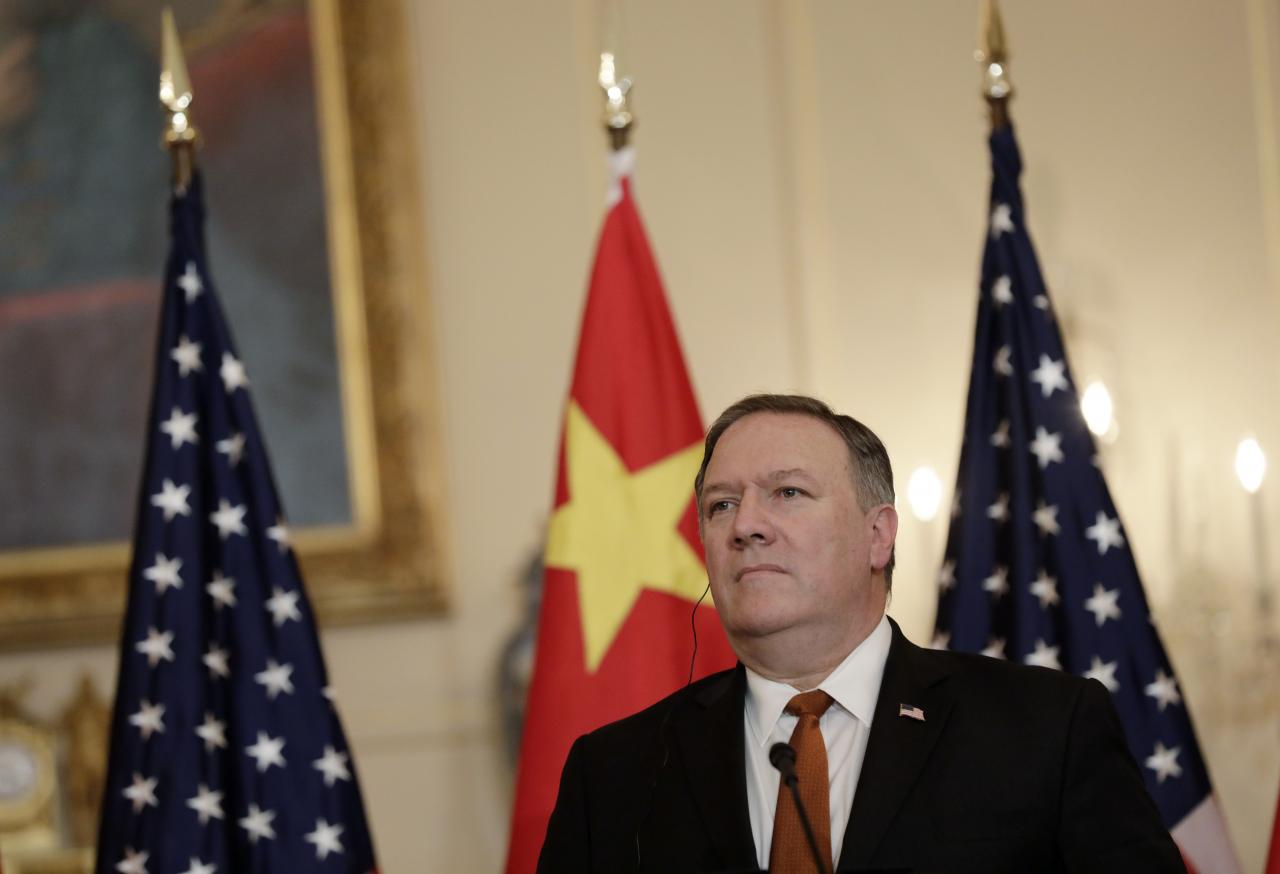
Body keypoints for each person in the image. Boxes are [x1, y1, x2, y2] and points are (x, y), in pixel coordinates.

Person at [538, 394, 1184, 873]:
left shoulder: (1046, 729)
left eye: (787, 492)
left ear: (878, 535)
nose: (746, 526)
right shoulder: (615, 773)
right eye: (721, 504)